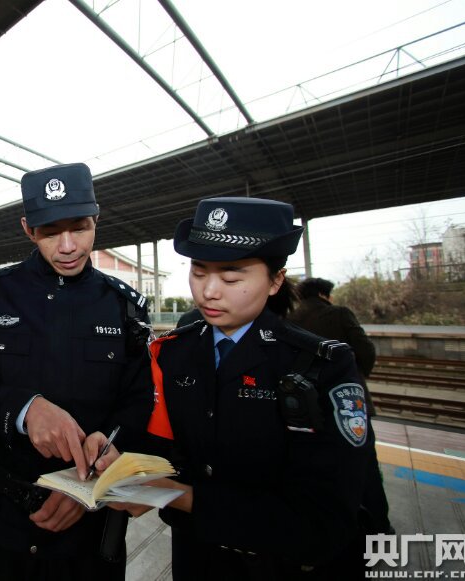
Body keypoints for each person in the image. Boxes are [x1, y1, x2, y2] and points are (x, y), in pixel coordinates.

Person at [129, 197, 374, 580]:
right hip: (195, 559)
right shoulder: (174, 353)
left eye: (231, 278)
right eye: (198, 272)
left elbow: (324, 521)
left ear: (275, 280)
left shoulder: (320, 366)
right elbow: (165, 447)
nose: (209, 291)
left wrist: (183, 496)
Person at [0, 162, 154, 580]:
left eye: (80, 228)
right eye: (51, 232)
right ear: (28, 229)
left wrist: (91, 481)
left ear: (97, 218)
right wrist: (25, 409)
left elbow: (140, 405)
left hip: (88, 526)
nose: (69, 246)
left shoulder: (126, 307)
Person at [289, 277, 392, 535]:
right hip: (346, 402)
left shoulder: (290, 318)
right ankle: (378, 525)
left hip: (304, 406)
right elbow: (365, 349)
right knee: (364, 464)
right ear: (324, 294)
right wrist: (356, 375)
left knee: (315, 465)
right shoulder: (339, 313)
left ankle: (327, 525)